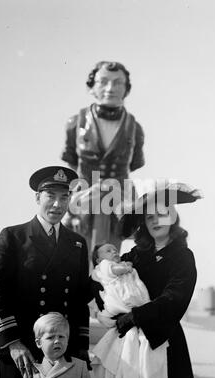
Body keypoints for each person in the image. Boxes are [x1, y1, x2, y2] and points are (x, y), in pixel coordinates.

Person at [0, 166, 91, 378]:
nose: (57, 205)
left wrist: (81, 345)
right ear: (37, 197)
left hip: (61, 348)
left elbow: (79, 298)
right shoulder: (13, 237)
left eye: (64, 197)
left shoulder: (77, 243)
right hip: (21, 347)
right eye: (50, 196)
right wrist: (12, 343)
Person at [91, 182, 202, 378]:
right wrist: (112, 309)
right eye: (149, 217)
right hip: (127, 340)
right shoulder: (136, 255)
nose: (155, 221)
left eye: (161, 214)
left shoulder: (182, 256)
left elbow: (175, 298)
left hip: (162, 338)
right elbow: (102, 280)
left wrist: (137, 316)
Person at [61, 61, 145, 254]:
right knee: (80, 257)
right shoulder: (75, 124)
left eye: (117, 83)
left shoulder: (135, 129)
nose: (110, 88)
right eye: (103, 81)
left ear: (126, 89)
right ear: (91, 87)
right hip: (84, 202)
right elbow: (71, 165)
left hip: (118, 203)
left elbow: (133, 164)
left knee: (110, 257)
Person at [90, 243, 168, 378]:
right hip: (121, 306)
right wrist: (127, 267)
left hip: (135, 310)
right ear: (99, 259)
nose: (114, 252)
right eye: (108, 250)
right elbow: (115, 270)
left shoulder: (122, 266)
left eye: (115, 250)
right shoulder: (105, 267)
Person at [21, 312, 96, 378]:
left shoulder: (80, 366)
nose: (57, 341)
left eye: (61, 336)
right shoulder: (32, 369)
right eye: (50, 337)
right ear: (38, 343)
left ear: (67, 340)